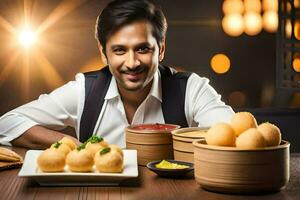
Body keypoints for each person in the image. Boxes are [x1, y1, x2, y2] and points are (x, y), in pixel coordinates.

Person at [0, 0, 234, 149]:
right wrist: (70, 143)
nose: (131, 63)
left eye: (142, 48)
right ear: (104, 53)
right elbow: (6, 124)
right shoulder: (85, 91)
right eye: (119, 50)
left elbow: (233, 134)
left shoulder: (191, 89)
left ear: (161, 49)